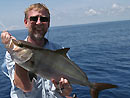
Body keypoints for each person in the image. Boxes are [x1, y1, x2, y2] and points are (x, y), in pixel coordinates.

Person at [1, 3, 73, 98]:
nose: (39, 22)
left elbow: (66, 92)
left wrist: (65, 89)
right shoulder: (12, 53)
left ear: (48, 23)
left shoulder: (59, 50)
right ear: (26, 22)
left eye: (43, 19)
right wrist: (17, 53)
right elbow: (25, 87)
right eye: (34, 19)